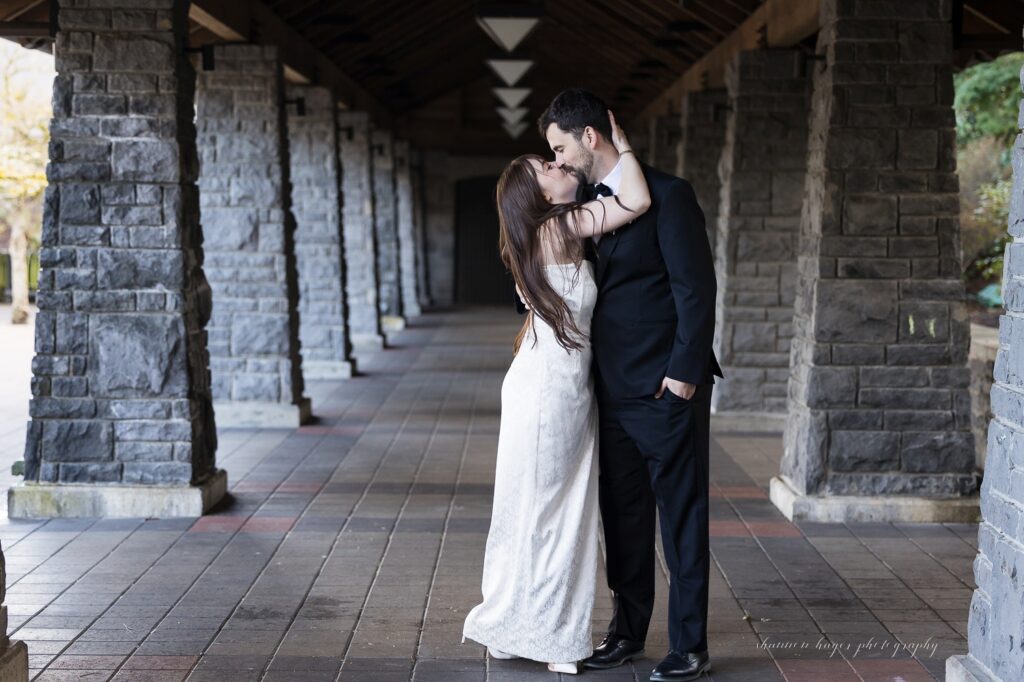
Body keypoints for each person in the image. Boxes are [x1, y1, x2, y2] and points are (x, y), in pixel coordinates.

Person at [540, 88, 722, 682]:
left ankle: (690, 645)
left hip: (666, 389)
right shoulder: (586, 206)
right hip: (607, 393)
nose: (559, 161)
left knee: (681, 518)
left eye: (561, 147)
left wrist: (684, 378)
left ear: (590, 136)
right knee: (623, 518)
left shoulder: (669, 196)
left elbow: (695, 291)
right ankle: (627, 633)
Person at [462, 111, 649, 675]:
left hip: (551, 383)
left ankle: (520, 624)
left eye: (555, 155)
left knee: (542, 508)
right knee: (553, 510)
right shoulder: (558, 228)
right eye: (548, 165)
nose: (559, 163)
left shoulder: (547, 229)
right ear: (536, 193)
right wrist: (625, 147)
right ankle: (543, 631)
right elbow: (636, 200)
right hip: (550, 390)